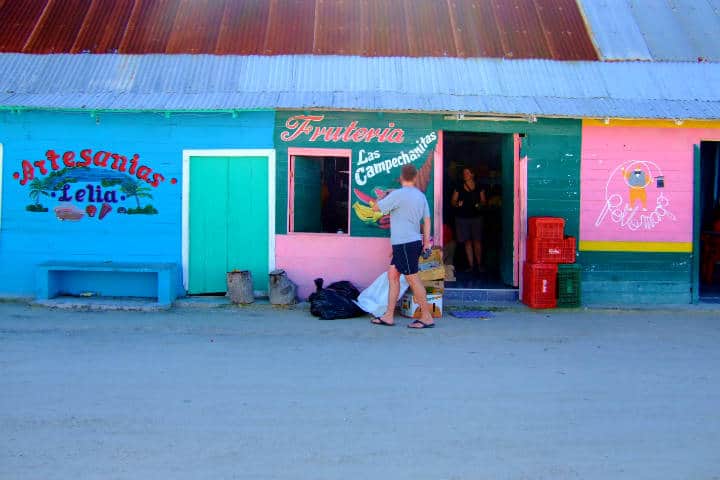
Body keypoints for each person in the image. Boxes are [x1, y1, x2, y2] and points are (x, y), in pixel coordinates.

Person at [370, 164, 434, 328]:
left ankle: (427, 317)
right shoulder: (421, 196)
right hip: (408, 244)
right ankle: (389, 315)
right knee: (393, 276)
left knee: (413, 279)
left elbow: (376, 208)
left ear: (402, 177)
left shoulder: (397, 195)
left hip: (405, 244)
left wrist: (384, 195)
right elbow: (427, 220)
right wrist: (426, 242)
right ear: (414, 177)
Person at [451, 167, 486, 272]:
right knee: (467, 242)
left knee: (477, 241)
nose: (465, 174)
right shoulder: (459, 187)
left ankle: (479, 265)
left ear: (472, 174)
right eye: (464, 173)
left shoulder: (479, 187)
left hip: (476, 218)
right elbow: (452, 201)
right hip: (462, 218)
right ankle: (471, 266)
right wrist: (457, 204)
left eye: (467, 172)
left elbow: (484, 201)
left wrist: (480, 205)